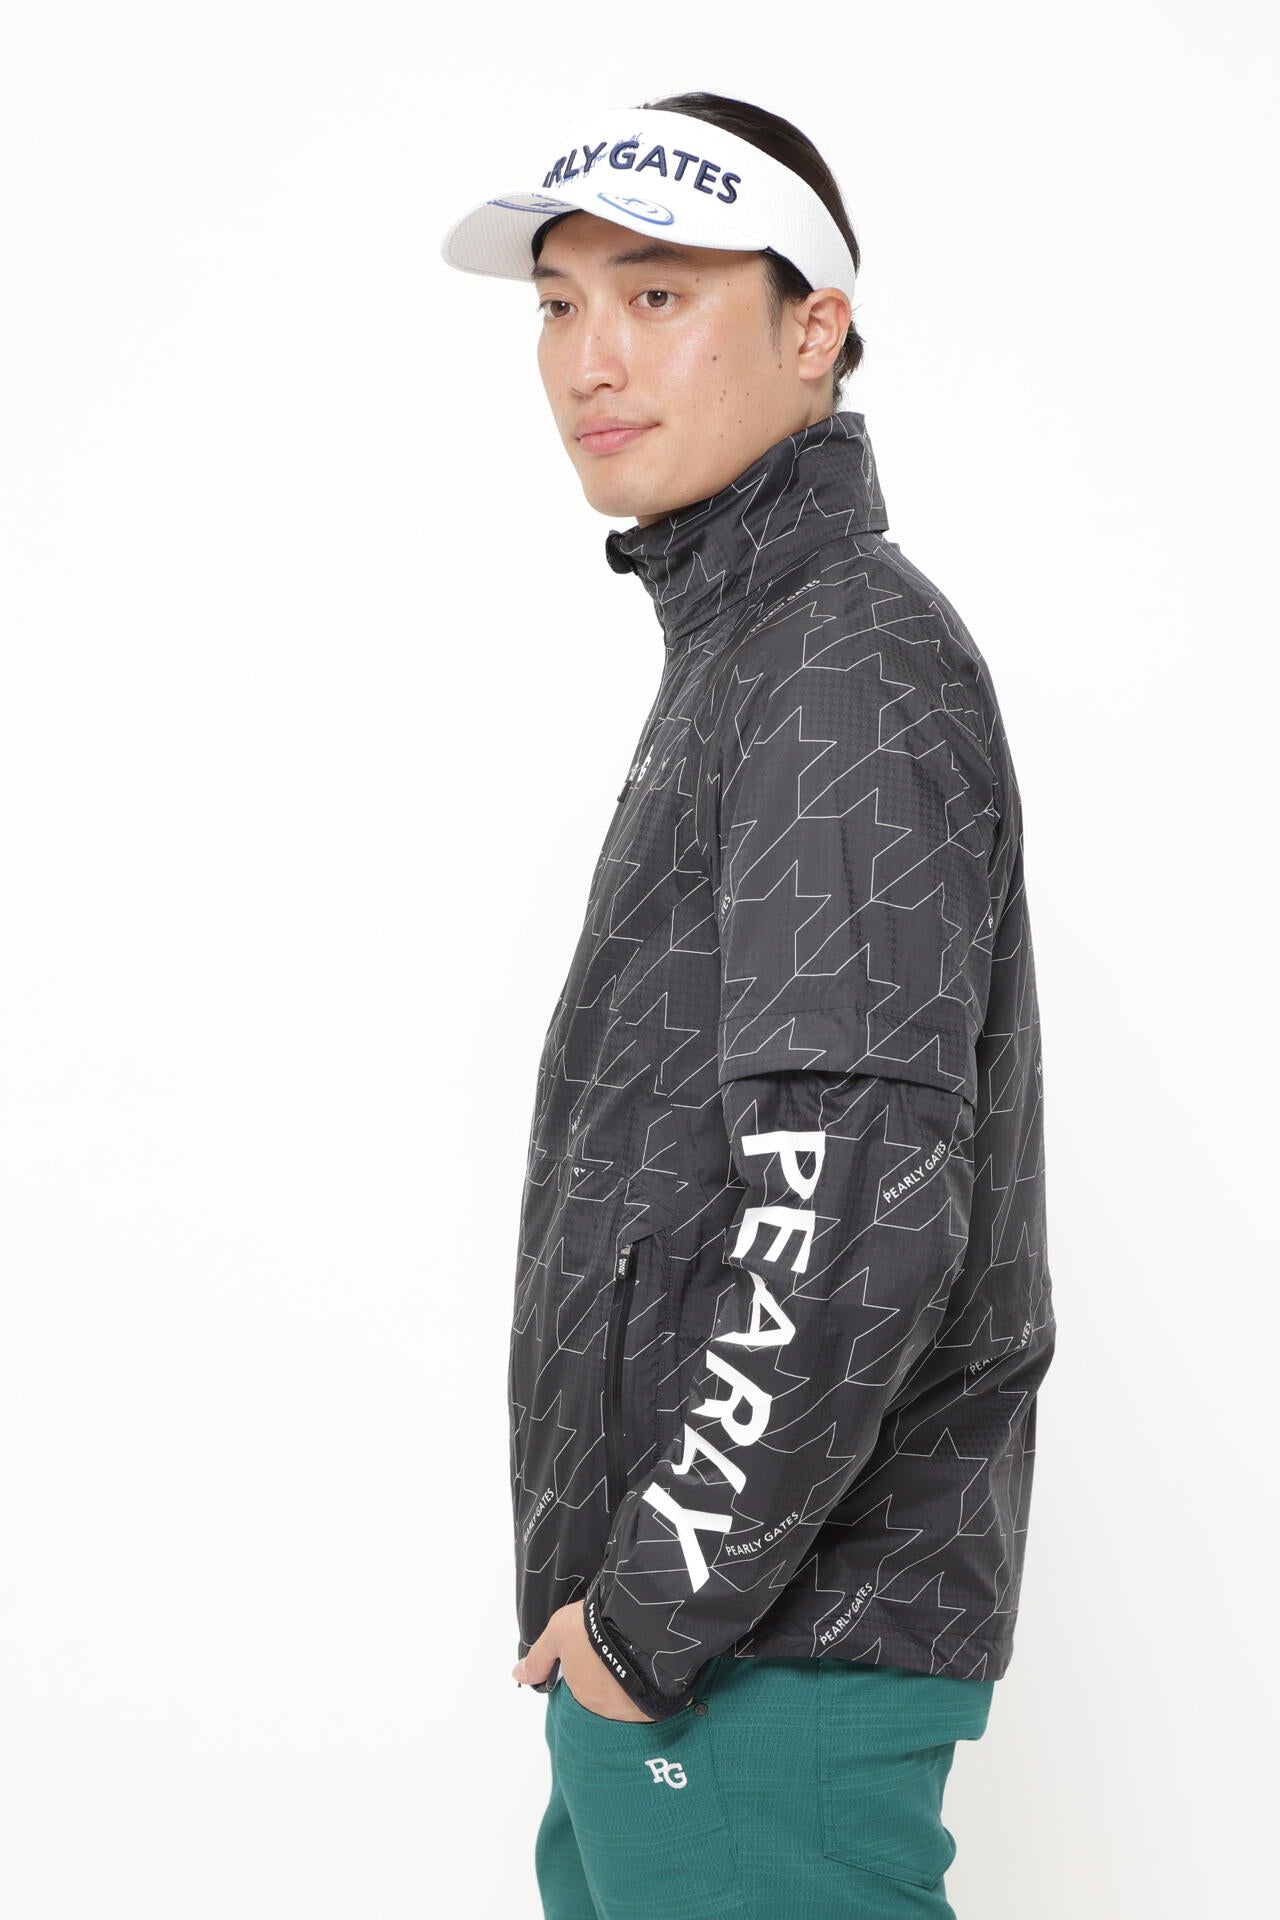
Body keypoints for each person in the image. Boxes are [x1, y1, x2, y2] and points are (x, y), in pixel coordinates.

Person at [440, 89, 1057, 1920]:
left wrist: (652, 1615)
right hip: (708, 1659)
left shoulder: (835, 662)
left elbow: (850, 1202)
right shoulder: (752, 650)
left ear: (815, 332)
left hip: (757, 1664)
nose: (590, 358)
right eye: (560, 304)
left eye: (657, 294)